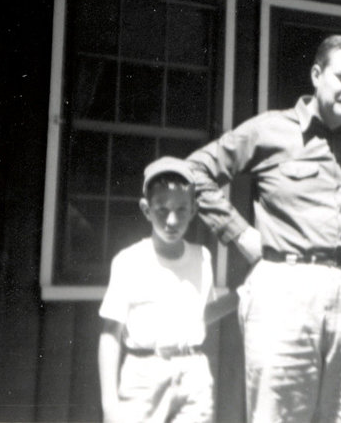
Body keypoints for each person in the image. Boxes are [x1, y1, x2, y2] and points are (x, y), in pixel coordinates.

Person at [185, 35, 341, 423]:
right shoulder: (269, 130)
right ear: (317, 75)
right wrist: (238, 233)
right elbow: (192, 173)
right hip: (284, 287)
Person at [98, 156, 237, 423]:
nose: (172, 220)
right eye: (162, 210)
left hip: (193, 372)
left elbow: (201, 315)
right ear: (146, 209)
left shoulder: (202, 258)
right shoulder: (129, 261)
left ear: (194, 210)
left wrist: (243, 295)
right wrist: (109, 403)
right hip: (143, 374)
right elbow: (110, 335)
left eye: (181, 209)